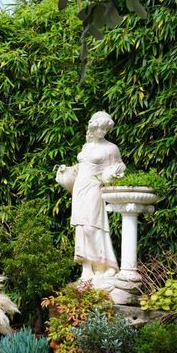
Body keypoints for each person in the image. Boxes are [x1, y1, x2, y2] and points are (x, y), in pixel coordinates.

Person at [56, 111, 125, 284]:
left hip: (94, 188)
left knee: (93, 226)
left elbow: (119, 167)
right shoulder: (86, 147)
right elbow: (82, 167)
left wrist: (110, 174)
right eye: (100, 128)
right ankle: (86, 269)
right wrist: (67, 170)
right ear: (93, 126)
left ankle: (107, 266)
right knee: (81, 226)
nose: (102, 132)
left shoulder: (111, 148)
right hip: (80, 187)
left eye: (105, 129)